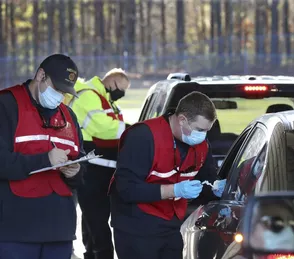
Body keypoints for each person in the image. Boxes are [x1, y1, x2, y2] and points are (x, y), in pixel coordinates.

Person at [109, 91, 227, 259]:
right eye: (200, 129)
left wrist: (215, 187)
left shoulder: (201, 145)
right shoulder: (143, 136)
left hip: (170, 224)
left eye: (207, 130)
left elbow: (205, 179)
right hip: (136, 226)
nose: (203, 135)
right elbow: (126, 189)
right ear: (182, 120)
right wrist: (174, 191)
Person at [0, 54, 86, 259]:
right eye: (57, 89)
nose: (60, 97)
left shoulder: (68, 115)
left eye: (65, 93)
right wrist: (44, 160)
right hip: (16, 232)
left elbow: (81, 163)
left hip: (60, 232)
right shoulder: (6, 105)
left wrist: (75, 171)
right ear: (40, 75)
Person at [64, 68, 131, 259]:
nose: (122, 94)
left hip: (99, 167)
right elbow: (103, 127)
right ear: (112, 82)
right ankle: (102, 255)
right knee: (97, 217)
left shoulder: (103, 98)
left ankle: (92, 254)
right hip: (91, 168)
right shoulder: (89, 96)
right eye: (121, 88)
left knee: (92, 217)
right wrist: (130, 131)